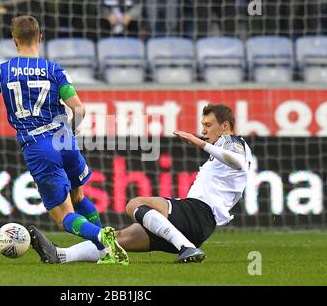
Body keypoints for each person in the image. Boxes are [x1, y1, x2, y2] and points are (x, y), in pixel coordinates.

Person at [0, 15, 129, 265]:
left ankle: (102, 238)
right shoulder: (54, 70)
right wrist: (70, 131)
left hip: (39, 147)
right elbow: (79, 108)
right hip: (64, 141)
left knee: (64, 217)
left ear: (14, 40)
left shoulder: (3, 71)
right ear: (40, 38)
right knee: (79, 198)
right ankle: (105, 251)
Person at [29, 103, 252, 264]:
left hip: (199, 211)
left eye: (209, 125)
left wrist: (199, 144)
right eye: (202, 125)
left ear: (225, 126)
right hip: (198, 228)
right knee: (118, 239)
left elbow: (240, 163)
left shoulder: (234, 142)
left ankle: (186, 248)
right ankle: (61, 256)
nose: (203, 130)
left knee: (135, 204)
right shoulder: (221, 148)